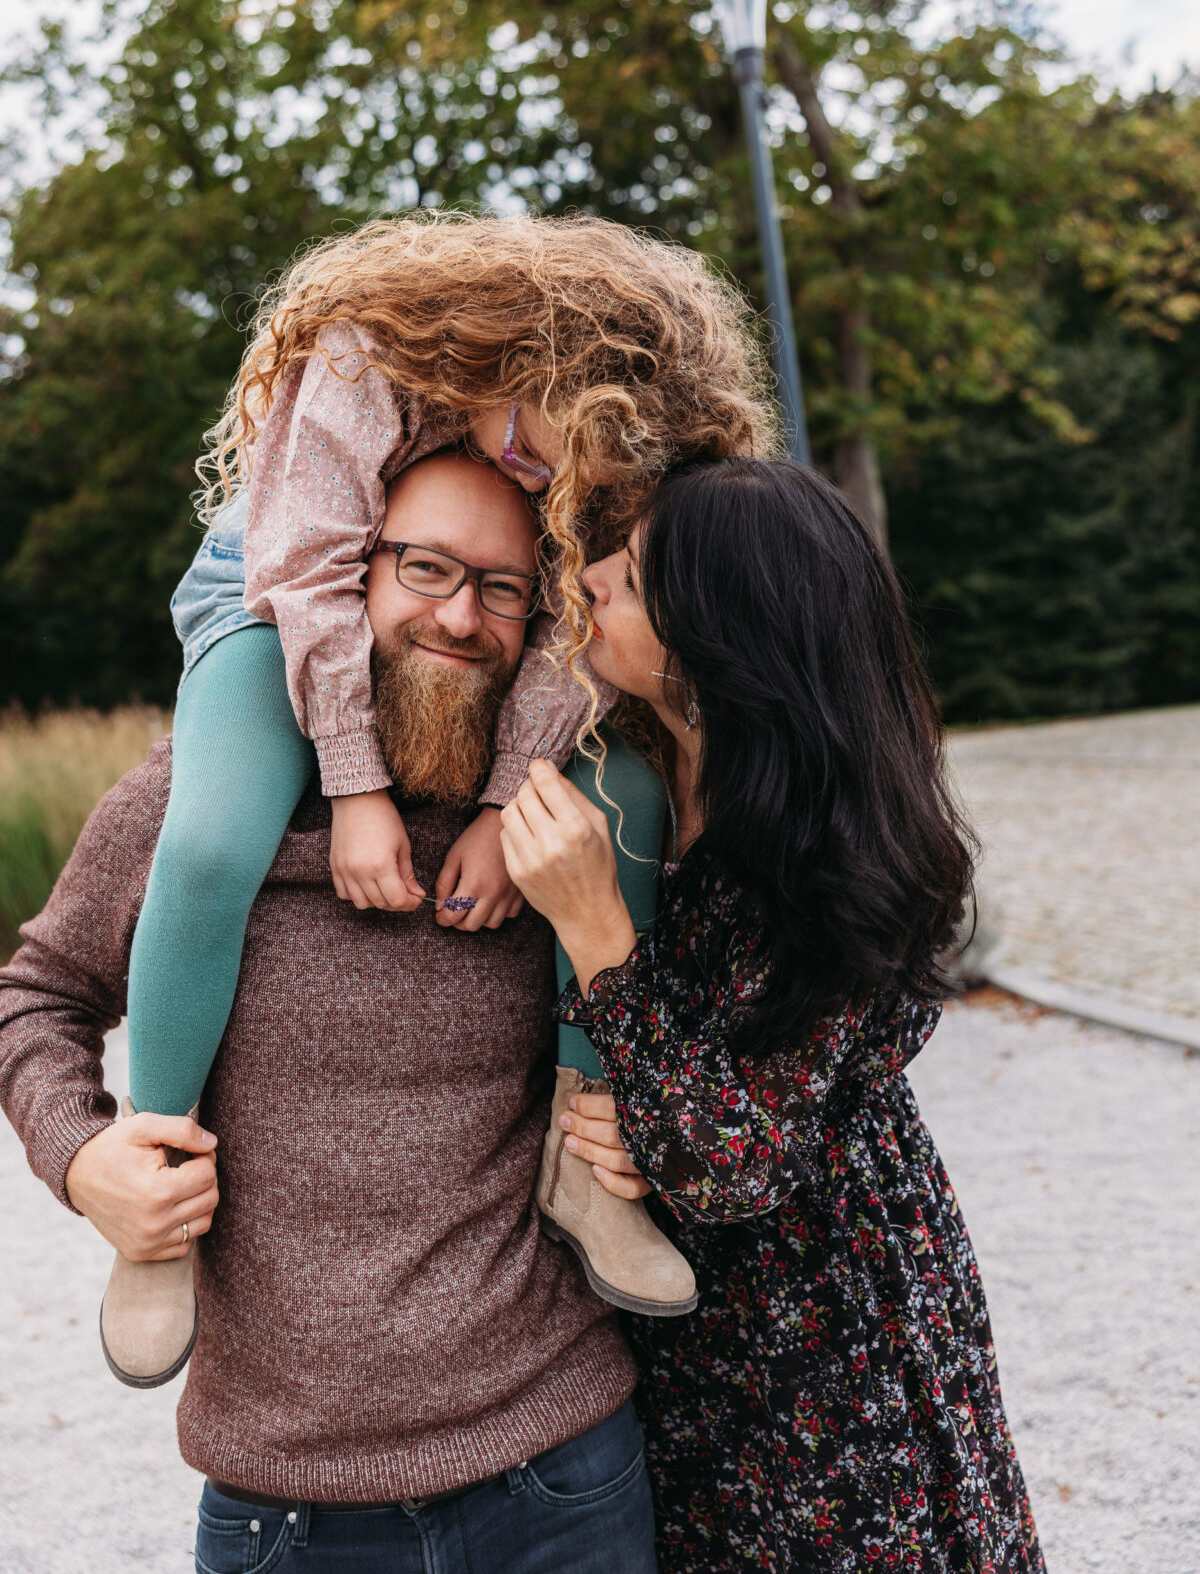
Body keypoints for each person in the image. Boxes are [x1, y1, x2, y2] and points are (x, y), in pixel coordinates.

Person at [111, 212, 769, 1380]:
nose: (535, 477)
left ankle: (584, 1161)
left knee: (624, 801)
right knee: (213, 836)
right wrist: (357, 789)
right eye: (528, 450)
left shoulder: (597, 454)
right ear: (517, 361)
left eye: (560, 481)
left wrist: (498, 804)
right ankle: (158, 1175)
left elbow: (569, 620)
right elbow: (312, 573)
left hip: (483, 615)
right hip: (280, 592)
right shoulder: (369, 354)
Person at [0, 449, 660, 1574]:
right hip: (286, 1516)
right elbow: (36, 996)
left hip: (563, 1472)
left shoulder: (561, 814)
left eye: (503, 589)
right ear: (352, 576)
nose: (460, 617)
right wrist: (84, 1157)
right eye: (425, 568)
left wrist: (631, 1121)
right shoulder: (196, 796)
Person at [498, 458, 1047, 1574]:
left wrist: (599, 931)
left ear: (721, 637)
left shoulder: (825, 855)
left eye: (637, 578)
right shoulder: (647, 781)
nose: (592, 578)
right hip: (696, 1350)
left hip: (829, 1353)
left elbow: (729, 1160)